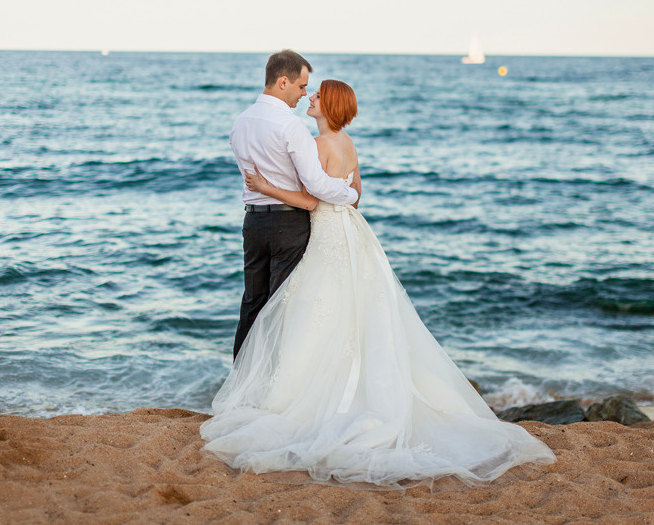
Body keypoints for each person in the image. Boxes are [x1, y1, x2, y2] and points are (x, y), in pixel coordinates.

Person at [202, 79, 555, 489]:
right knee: (356, 311)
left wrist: (264, 188)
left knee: (315, 312)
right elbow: (356, 194)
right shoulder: (349, 143)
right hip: (352, 233)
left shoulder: (316, 145)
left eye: (316, 96)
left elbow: (309, 199)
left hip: (325, 234)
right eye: (309, 92)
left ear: (328, 105)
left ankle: (288, 396)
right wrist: (345, 201)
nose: (310, 98)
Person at [228, 50, 359, 359]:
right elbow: (315, 188)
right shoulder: (291, 126)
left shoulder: (241, 122)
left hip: (253, 223)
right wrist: (350, 196)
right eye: (302, 87)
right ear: (283, 81)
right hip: (289, 223)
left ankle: (240, 381)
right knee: (281, 304)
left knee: (252, 302)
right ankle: (273, 380)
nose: (304, 94)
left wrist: (263, 188)